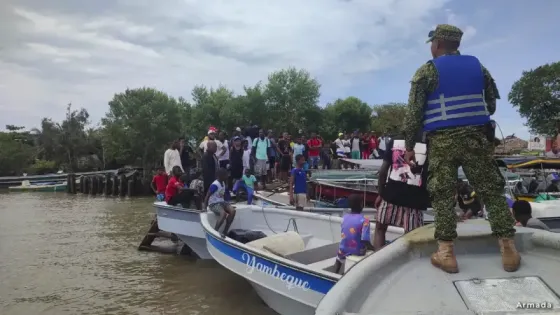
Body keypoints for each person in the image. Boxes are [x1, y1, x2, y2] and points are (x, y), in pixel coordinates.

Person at [402, 24, 519, 274]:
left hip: (442, 143)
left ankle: (446, 253)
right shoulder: (479, 68)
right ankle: (508, 249)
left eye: (433, 42)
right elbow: (491, 105)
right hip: (476, 140)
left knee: (443, 195)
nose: (431, 47)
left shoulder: (427, 71)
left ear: (439, 44)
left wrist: (410, 146)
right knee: (491, 191)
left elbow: (413, 115)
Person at [373, 139, 429, 250]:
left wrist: (381, 194)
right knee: (413, 235)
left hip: (391, 194)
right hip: (415, 199)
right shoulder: (429, 143)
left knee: (380, 228)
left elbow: (383, 172)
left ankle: (377, 258)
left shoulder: (395, 141)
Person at [334, 194, 375, 274]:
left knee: (339, 257)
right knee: (370, 252)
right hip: (358, 251)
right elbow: (365, 240)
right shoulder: (365, 220)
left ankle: (334, 273)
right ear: (361, 204)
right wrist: (374, 248)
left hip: (343, 248)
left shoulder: (344, 218)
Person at [204, 168, 236, 237]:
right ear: (220, 176)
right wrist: (204, 207)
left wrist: (228, 204)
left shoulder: (223, 182)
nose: (227, 176)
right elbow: (207, 195)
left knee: (232, 211)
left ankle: (225, 231)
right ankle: (215, 231)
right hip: (213, 204)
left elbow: (223, 194)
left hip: (221, 202)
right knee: (223, 214)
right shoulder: (215, 185)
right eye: (225, 175)